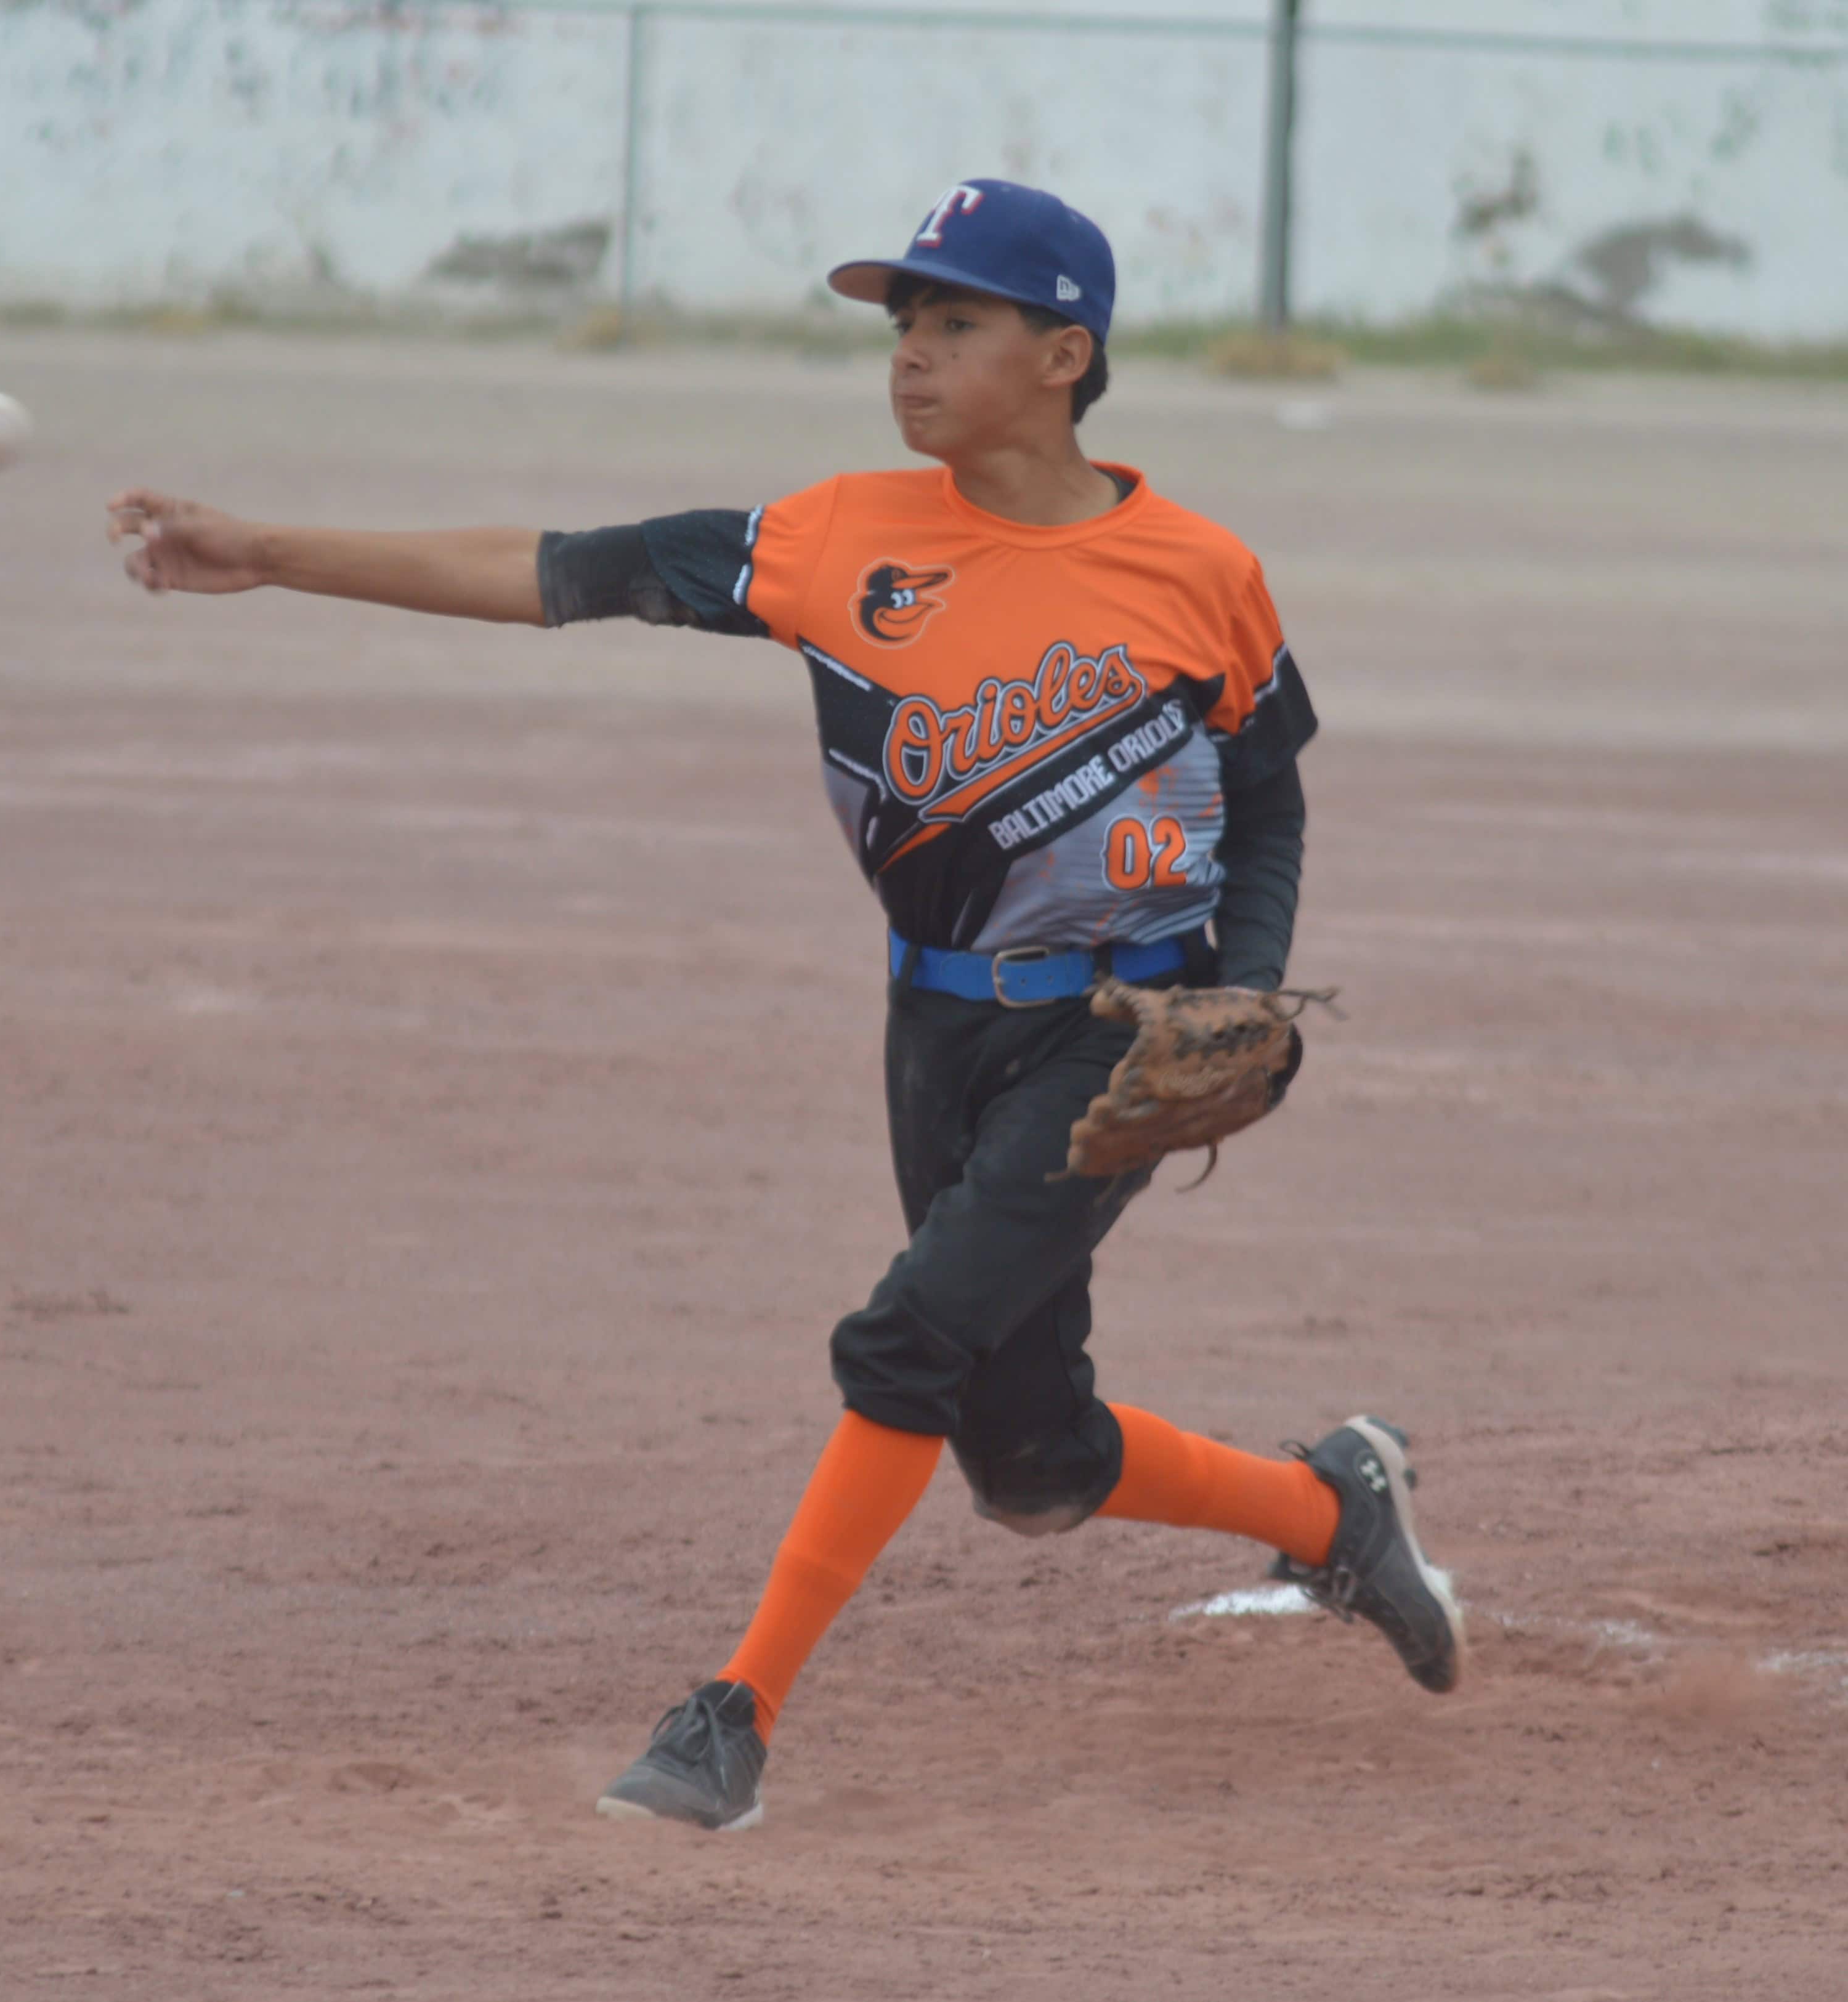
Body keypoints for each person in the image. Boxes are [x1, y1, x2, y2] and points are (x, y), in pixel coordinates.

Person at [107, 179, 1464, 1834]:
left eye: (951, 321)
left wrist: (1247, 981)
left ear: (1063, 353)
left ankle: (729, 1718)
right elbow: (558, 571)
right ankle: (1337, 1510)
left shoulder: (1198, 569)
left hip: (1117, 1035)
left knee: (901, 1340)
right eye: (899, 322)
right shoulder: (836, 536)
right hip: (931, 1032)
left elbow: (1269, 791)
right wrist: (269, 551)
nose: (907, 352)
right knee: (1028, 1460)